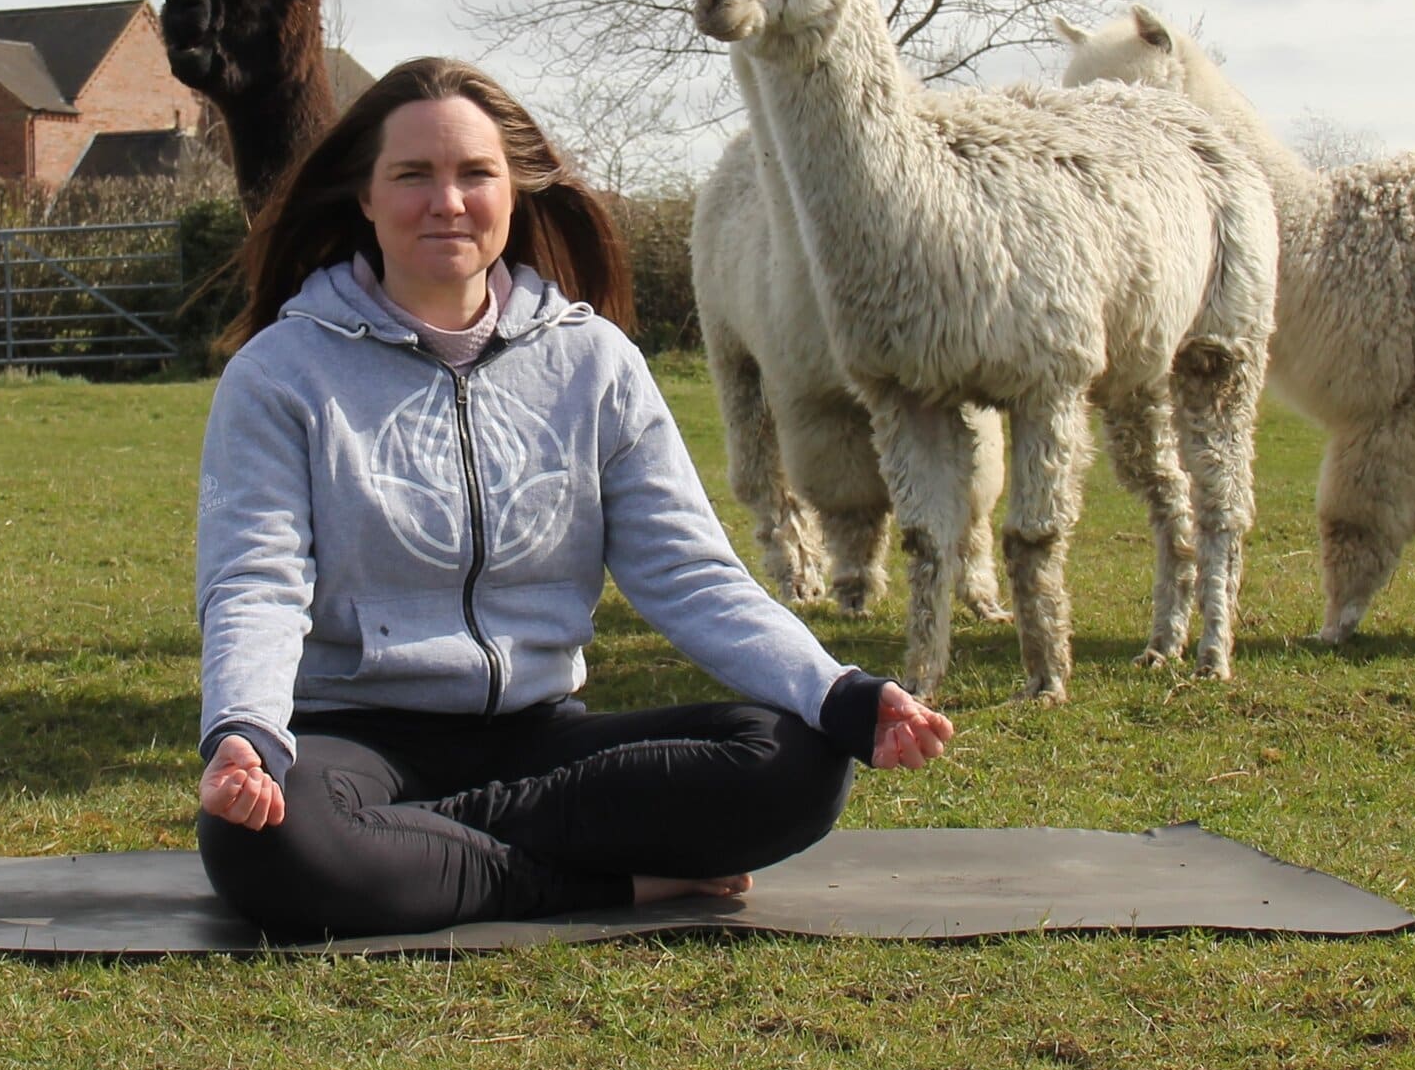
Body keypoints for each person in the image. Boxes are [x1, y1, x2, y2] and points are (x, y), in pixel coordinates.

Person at [194, 56, 953, 940]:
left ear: (513, 190)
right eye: (412, 175)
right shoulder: (280, 375)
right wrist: (245, 731)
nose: (447, 201)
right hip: (354, 740)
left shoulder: (594, 362)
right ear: (364, 194)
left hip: (540, 737)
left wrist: (835, 690)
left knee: (798, 763)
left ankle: (418, 848)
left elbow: (689, 572)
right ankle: (607, 883)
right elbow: (255, 582)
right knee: (264, 840)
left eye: (476, 174)